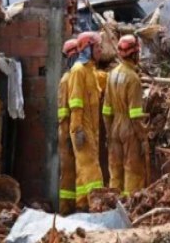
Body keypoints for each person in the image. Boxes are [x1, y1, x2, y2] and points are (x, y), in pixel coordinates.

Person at [102, 35, 148, 196]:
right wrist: (142, 137)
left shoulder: (112, 75)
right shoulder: (133, 78)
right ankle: (130, 207)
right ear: (134, 54)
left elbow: (106, 110)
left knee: (115, 170)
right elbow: (135, 114)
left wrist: (109, 133)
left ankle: (114, 203)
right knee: (132, 170)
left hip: (114, 127)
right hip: (129, 130)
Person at [68, 31, 105, 211]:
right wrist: (78, 128)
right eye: (97, 47)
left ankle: (82, 204)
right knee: (91, 167)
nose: (100, 50)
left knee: (83, 168)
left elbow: (101, 82)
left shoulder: (90, 70)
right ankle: (98, 205)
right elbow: (75, 102)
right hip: (82, 126)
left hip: (91, 127)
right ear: (88, 48)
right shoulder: (78, 71)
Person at [57, 39, 79, 215]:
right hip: (67, 130)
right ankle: (66, 210)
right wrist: (70, 133)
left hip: (69, 129)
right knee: (68, 172)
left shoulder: (72, 77)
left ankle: (70, 209)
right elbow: (66, 110)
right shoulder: (68, 79)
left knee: (72, 171)